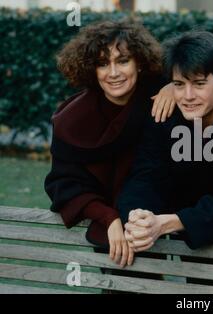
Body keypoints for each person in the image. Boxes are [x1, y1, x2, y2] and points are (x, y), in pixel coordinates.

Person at [44, 20, 174, 268]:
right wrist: (108, 217)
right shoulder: (71, 120)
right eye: (103, 64)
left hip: (162, 219)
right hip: (111, 230)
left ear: (139, 63)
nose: (113, 73)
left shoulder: (159, 92)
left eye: (123, 61)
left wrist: (174, 87)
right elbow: (63, 184)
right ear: (92, 69)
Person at [117, 31, 213, 251]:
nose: (188, 96)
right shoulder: (166, 113)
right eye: (178, 84)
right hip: (186, 232)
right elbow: (147, 174)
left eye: (199, 84)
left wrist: (170, 222)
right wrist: (137, 216)